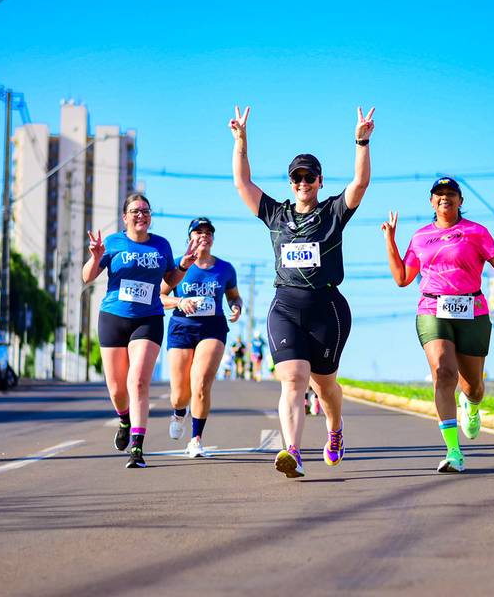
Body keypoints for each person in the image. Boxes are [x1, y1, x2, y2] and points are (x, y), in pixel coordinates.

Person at [229, 104, 375, 478]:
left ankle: (335, 428)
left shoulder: (332, 213)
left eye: (309, 177)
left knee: (324, 386)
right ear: (290, 182)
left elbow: (359, 184)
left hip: (327, 310)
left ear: (320, 181)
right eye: (296, 178)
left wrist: (361, 140)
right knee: (292, 379)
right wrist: (241, 141)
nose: (302, 183)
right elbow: (243, 184)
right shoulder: (276, 215)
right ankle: (292, 450)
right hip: (285, 308)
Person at [381, 177, 494, 473]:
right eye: (439, 194)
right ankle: (453, 451)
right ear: (431, 202)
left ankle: (472, 404)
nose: (445, 198)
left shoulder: (476, 232)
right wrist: (391, 242)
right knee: (443, 372)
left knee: (473, 387)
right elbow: (403, 278)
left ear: (460, 201)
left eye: (451, 194)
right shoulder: (420, 237)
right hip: (432, 308)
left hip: (472, 311)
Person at [83, 193, 197, 469]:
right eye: (135, 211)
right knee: (116, 388)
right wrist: (96, 257)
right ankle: (124, 420)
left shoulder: (161, 245)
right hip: (113, 316)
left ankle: (137, 446)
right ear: (125, 217)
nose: (141, 215)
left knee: (137, 382)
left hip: (148, 318)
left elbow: (170, 280)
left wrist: (183, 265)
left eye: (145, 211)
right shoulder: (112, 243)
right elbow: (87, 277)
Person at [161, 217, 242, 458]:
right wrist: (180, 301)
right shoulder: (177, 265)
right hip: (181, 327)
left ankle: (196, 439)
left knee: (201, 383)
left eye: (208, 232)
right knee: (179, 394)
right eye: (199, 232)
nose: (204, 235)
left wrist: (237, 306)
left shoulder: (225, 268)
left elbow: (233, 296)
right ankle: (179, 411)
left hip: (213, 327)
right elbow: (158, 297)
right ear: (189, 238)